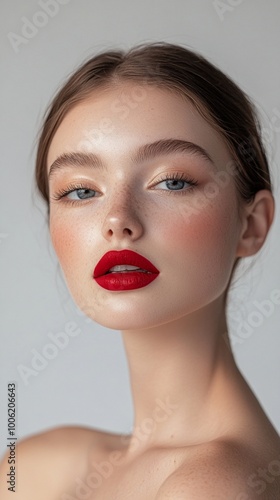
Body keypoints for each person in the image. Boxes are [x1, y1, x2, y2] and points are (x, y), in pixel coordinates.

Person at [1, 42, 279, 499]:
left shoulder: (215, 486)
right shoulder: (32, 468)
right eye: (80, 191)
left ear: (251, 225)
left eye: (172, 181)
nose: (118, 220)